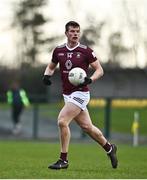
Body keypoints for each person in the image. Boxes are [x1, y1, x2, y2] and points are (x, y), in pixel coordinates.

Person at [43, 21, 118, 169]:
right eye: (72, 31)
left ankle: (63, 160)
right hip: (67, 95)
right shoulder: (58, 50)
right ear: (66, 33)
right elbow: (51, 66)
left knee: (62, 121)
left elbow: (99, 70)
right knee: (87, 127)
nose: (75, 34)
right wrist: (46, 76)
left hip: (81, 93)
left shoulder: (86, 51)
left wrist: (91, 79)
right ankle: (110, 148)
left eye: (77, 31)